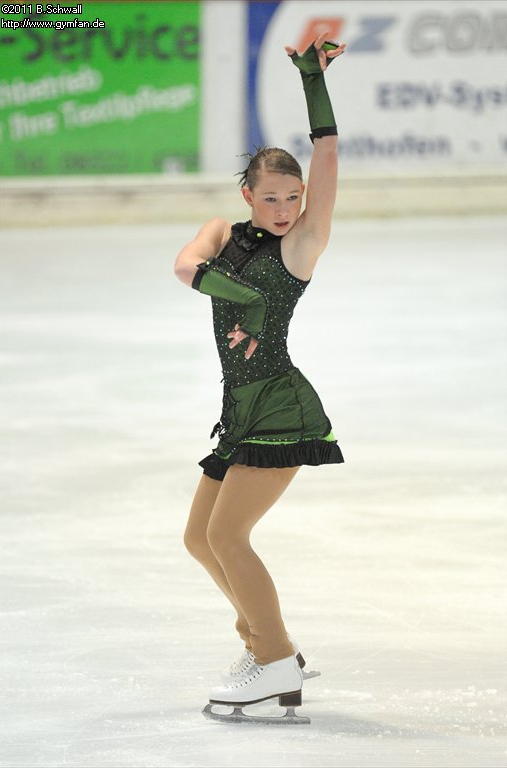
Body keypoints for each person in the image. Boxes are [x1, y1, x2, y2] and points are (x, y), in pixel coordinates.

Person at [174, 33, 346, 724]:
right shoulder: (224, 232)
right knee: (199, 538)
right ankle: (269, 647)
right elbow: (186, 267)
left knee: (227, 537)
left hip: (279, 405)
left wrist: (313, 82)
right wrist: (240, 294)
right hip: (238, 410)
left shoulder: (301, 245)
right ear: (247, 195)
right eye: (270, 197)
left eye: (293, 197)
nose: (283, 208)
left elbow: (327, 157)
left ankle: (272, 659)